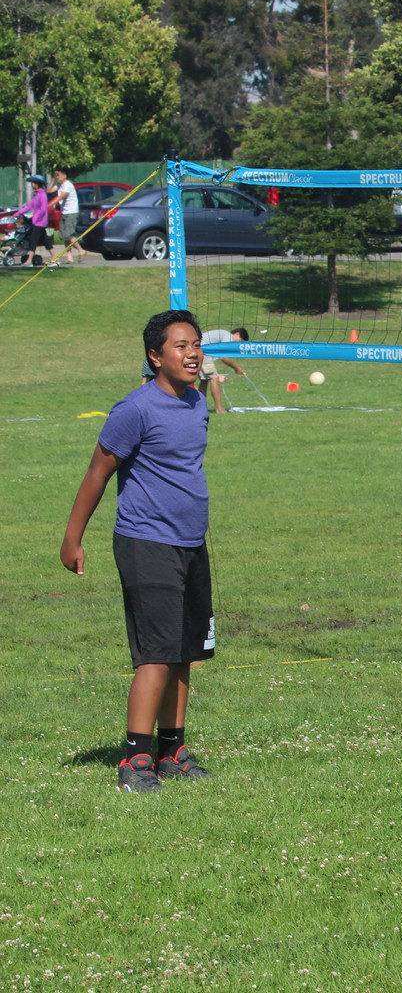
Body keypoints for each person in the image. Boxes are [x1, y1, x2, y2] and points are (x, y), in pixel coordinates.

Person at [61, 310, 217, 793]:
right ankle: (135, 760)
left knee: (186, 652)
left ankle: (173, 752)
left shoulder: (197, 403)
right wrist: (72, 538)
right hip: (146, 543)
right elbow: (97, 473)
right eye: (180, 346)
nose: (192, 353)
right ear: (155, 356)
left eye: (196, 344)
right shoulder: (135, 409)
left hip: (191, 543)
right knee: (157, 653)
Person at [198, 327, 250, 413]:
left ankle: (200, 408)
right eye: (240, 341)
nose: (238, 345)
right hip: (203, 352)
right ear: (237, 334)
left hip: (199, 351)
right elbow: (224, 357)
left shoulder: (223, 334)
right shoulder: (229, 337)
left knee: (204, 381)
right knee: (214, 379)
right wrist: (236, 367)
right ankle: (219, 409)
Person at [16, 174, 55, 267]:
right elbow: (29, 206)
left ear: (37, 184)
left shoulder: (42, 194)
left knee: (33, 241)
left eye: (33, 183)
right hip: (36, 222)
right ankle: (54, 258)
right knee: (45, 241)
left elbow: (43, 209)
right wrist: (19, 213)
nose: (32, 184)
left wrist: (37, 218)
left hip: (40, 223)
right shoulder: (36, 194)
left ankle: (29, 261)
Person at [51, 168, 79, 263]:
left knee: (68, 235)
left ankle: (81, 250)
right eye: (56, 175)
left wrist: (49, 205)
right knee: (64, 236)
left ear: (64, 175)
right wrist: (53, 178)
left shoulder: (68, 185)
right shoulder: (59, 185)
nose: (57, 177)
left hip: (71, 212)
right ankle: (69, 257)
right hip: (64, 212)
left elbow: (61, 197)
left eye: (58, 175)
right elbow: (49, 190)